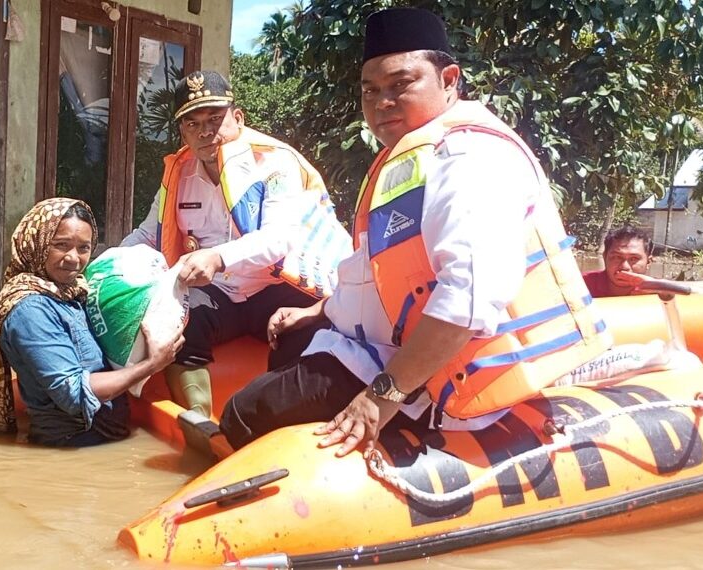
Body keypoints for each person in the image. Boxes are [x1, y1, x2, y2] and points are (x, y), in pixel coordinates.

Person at [220, 7, 612, 454]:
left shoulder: (467, 157)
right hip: (379, 346)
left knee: (242, 415)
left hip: (439, 377)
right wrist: (319, 311)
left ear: (448, 79)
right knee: (291, 339)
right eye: (370, 90)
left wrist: (380, 398)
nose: (382, 102)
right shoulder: (414, 154)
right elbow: (383, 276)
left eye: (400, 85)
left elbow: (466, 302)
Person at [121, 70, 348, 420]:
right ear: (183, 132)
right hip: (217, 293)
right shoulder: (179, 173)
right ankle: (197, 420)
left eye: (215, 118)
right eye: (193, 123)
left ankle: (282, 423)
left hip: (276, 285)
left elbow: (279, 237)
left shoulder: (272, 162)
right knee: (172, 322)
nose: (205, 131)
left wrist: (217, 256)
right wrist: (105, 264)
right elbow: (149, 235)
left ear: (238, 118)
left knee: (309, 331)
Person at [0, 198, 184, 446]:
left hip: (98, 442)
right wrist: (152, 363)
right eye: (61, 245)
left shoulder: (72, 291)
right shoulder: (30, 310)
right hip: (73, 445)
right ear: (36, 243)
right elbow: (73, 392)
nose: (73, 258)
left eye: (83, 248)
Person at [583, 226, 653, 297]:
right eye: (617, 257)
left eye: (633, 259)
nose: (624, 267)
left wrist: (657, 286)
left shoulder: (657, 292)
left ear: (648, 262)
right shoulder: (580, 286)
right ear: (604, 257)